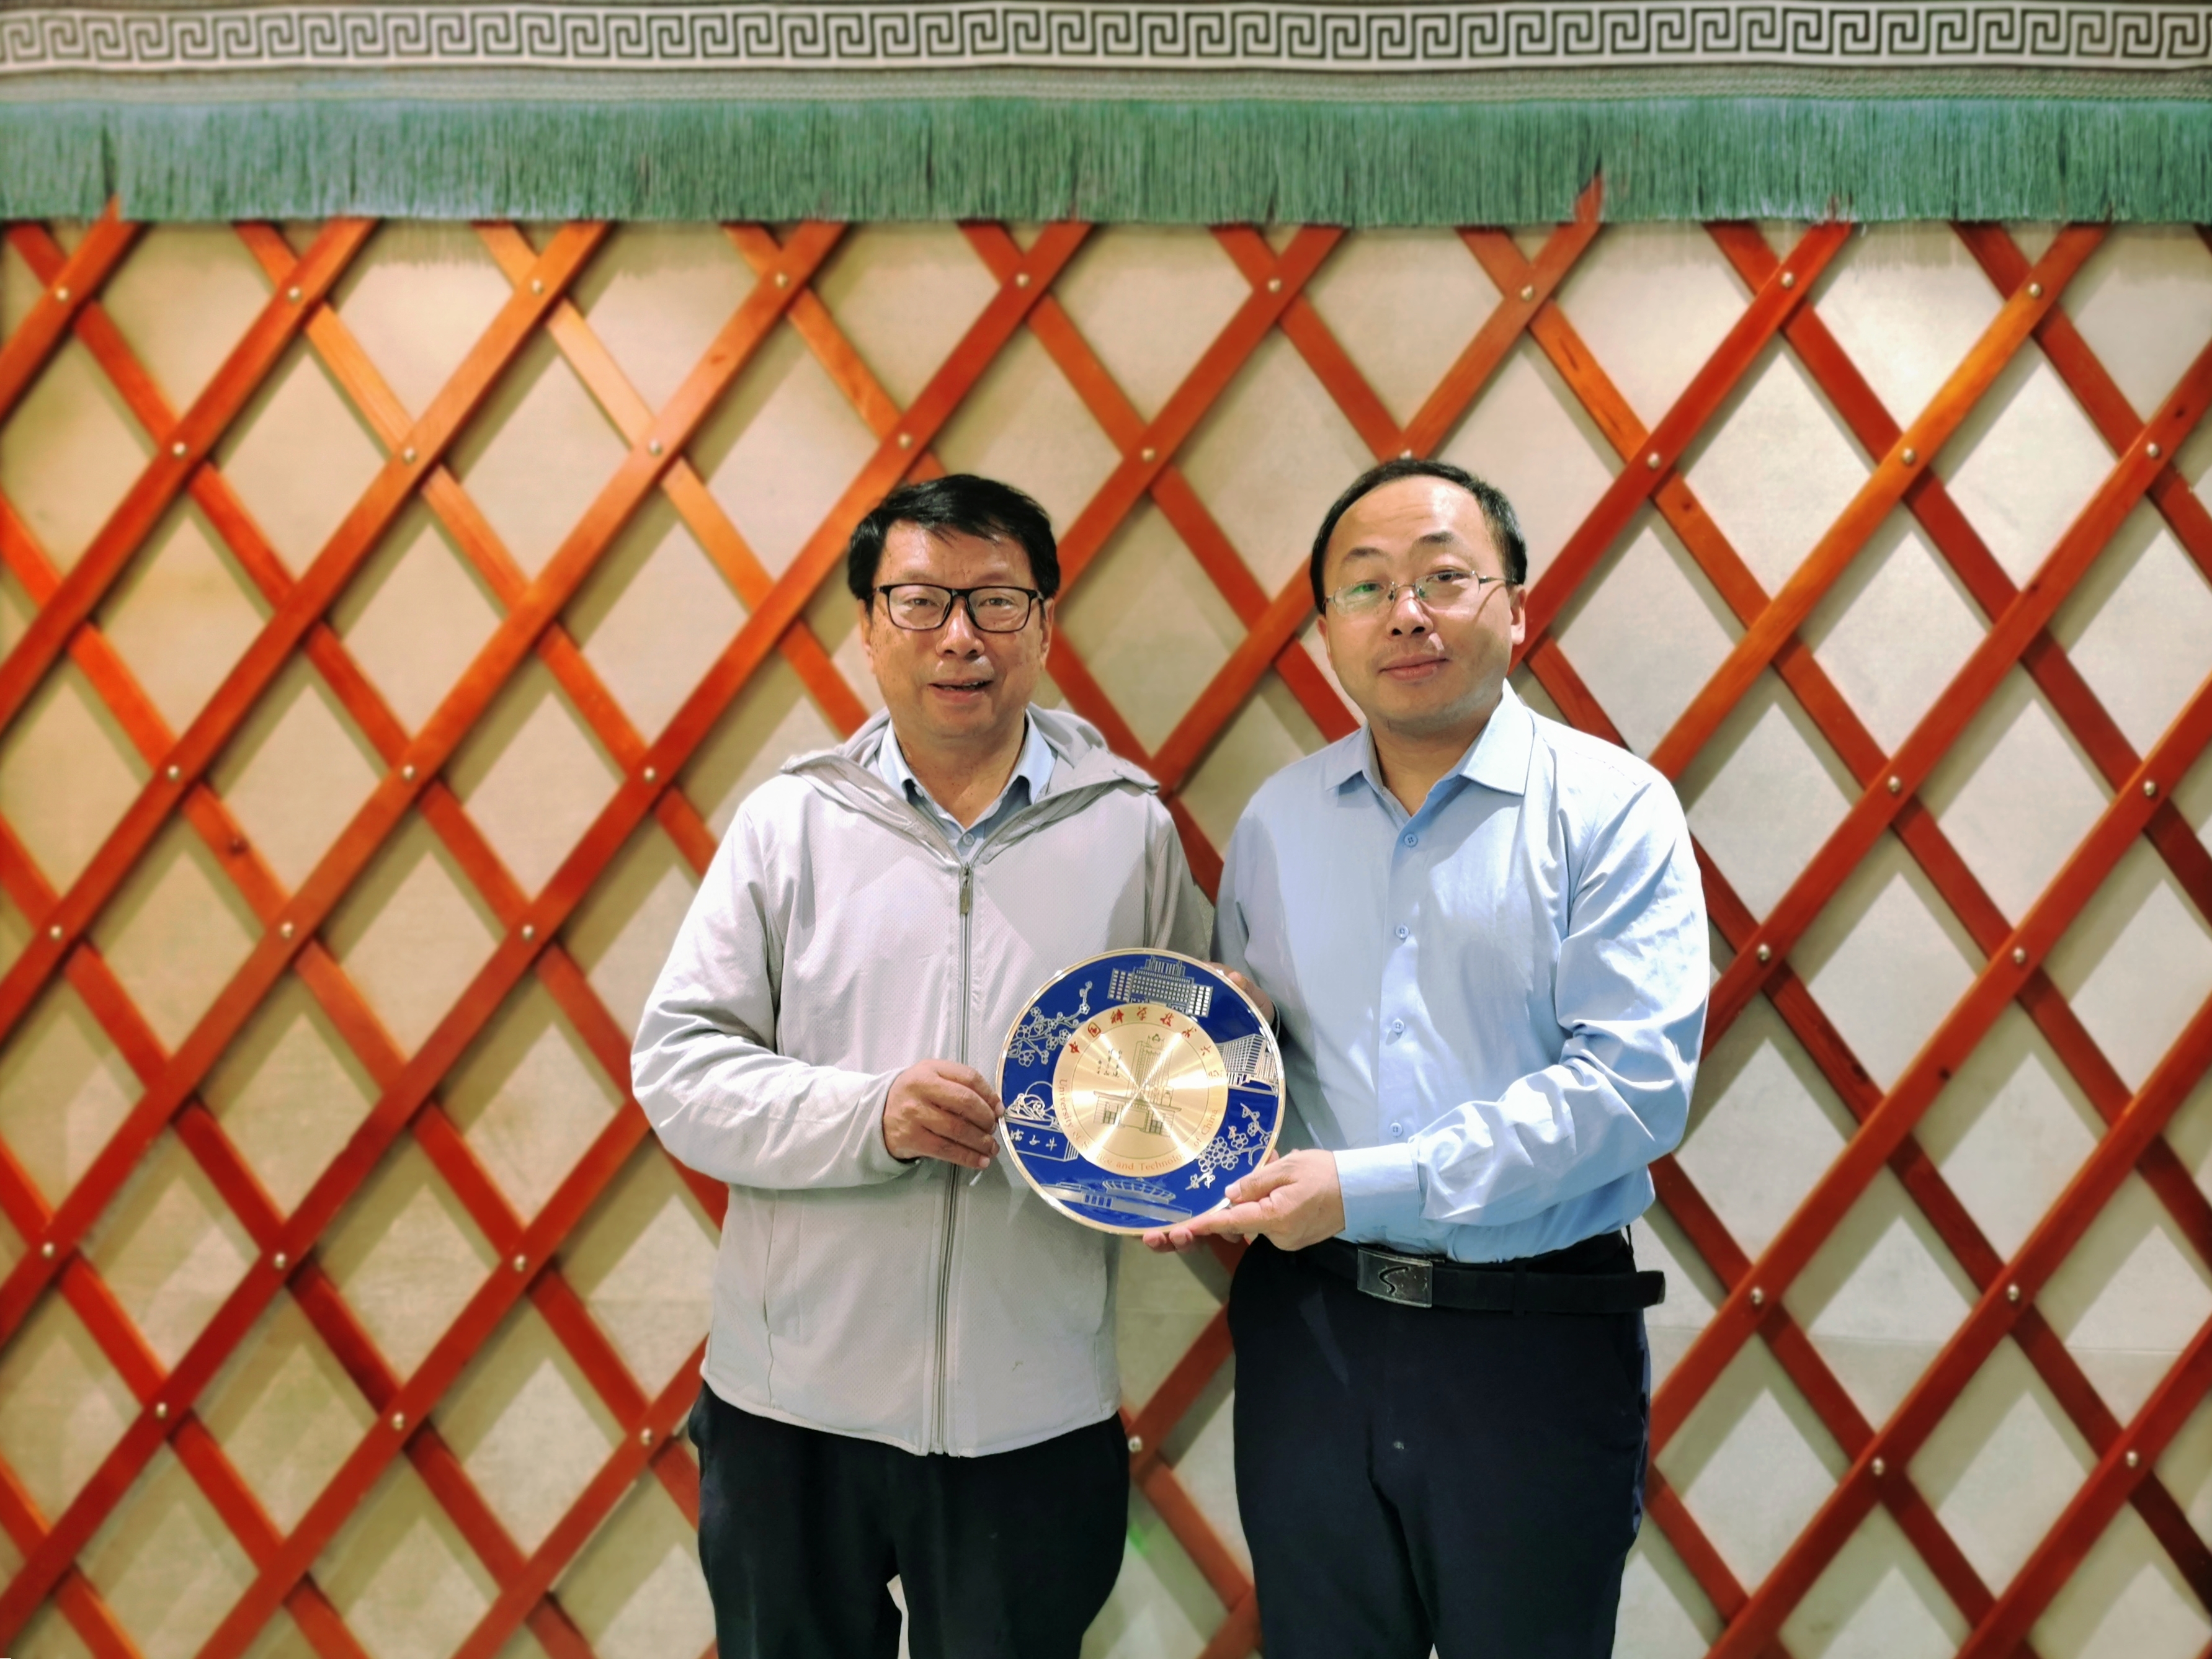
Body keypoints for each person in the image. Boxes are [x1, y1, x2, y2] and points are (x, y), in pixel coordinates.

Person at [633, 474, 1210, 1659]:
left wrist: (1187, 1122)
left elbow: (1177, 1081)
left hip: (1032, 1411)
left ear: (1043, 625)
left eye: (997, 601)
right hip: (789, 1407)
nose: (959, 637)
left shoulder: (1127, 829)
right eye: (919, 601)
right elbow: (680, 1070)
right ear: (867, 625)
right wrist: (871, 1118)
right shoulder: (790, 824)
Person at [1146, 458, 1708, 1657]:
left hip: (1530, 1336)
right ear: (1324, 633)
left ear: (1516, 607)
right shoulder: (1278, 821)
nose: (1404, 613)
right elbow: (1252, 1065)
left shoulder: (1611, 808)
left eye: (1443, 578)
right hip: (1310, 1333)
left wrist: (1364, 1186)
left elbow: (1631, 1093)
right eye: (1365, 587)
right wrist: (1184, 1112)